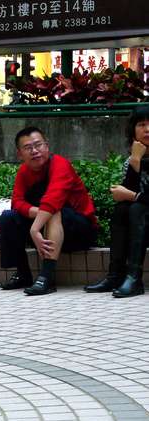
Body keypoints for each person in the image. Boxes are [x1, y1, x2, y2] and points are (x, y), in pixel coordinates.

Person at [0, 126, 98, 295]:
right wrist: (38, 215)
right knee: (8, 217)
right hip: (45, 229)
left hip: (78, 229)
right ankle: (23, 274)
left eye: (38, 145)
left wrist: (35, 229)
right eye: (28, 148)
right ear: (19, 154)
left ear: (47, 146)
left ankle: (46, 277)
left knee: (53, 210)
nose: (34, 151)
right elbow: (17, 202)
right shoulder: (24, 171)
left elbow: (53, 200)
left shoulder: (60, 164)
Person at [84, 105, 149, 297]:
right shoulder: (132, 160)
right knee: (123, 209)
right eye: (141, 125)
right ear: (133, 131)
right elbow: (127, 194)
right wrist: (136, 160)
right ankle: (115, 276)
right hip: (142, 224)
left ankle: (134, 278)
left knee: (136, 208)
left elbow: (131, 195)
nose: (147, 129)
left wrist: (134, 196)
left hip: (143, 218)